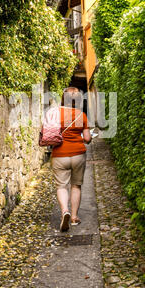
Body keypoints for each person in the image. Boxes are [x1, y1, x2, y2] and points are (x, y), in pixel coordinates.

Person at [51, 87, 92, 232]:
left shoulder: (55, 113)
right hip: (78, 154)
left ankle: (64, 212)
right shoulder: (81, 115)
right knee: (76, 185)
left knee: (61, 186)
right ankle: (74, 217)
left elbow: (48, 134)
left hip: (59, 154)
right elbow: (87, 139)